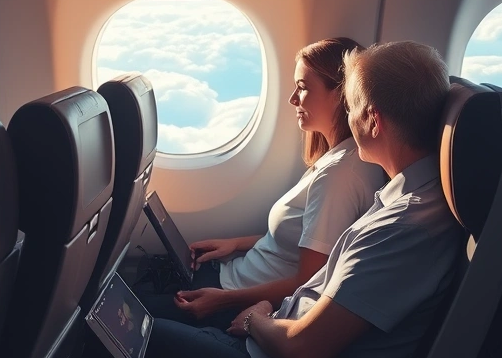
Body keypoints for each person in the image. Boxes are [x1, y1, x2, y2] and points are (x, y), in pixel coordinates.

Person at [144, 40, 462, 358]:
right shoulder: (408, 195)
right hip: (276, 323)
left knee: (138, 331)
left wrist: (255, 317)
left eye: (351, 108)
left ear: (373, 121)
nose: (348, 119)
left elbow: (302, 349)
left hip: (264, 348)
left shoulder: (400, 227)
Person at [137, 38, 386, 329]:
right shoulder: (337, 159)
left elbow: (306, 281)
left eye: (303, 87)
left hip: (236, 298)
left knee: (128, 310)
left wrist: (221, 300)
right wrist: (236, 244)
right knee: (142, 274)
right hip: (233, 278)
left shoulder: (338, 177)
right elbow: (304, 243)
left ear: (341, 94)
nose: (293, 98)